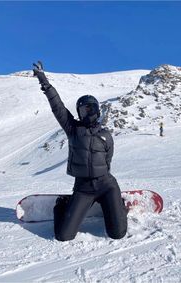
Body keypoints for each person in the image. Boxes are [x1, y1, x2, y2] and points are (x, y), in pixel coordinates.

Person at [33, 61, 127, 241]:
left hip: (107, 185)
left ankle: (118, 205)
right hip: (83, 188)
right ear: (79, 113)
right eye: (83, 110)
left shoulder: (106, 135)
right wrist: (44, 81)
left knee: (118, 234)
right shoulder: (73, 130)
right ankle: (64, 205)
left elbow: (108, 160)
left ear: (98, 110)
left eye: (91, 108)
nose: (88, 113)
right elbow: (58, 107)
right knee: (63, 235)